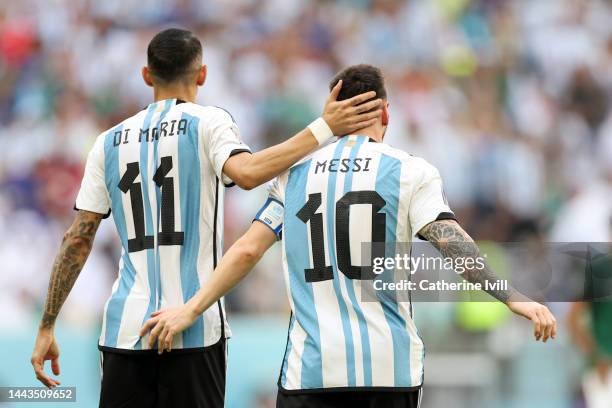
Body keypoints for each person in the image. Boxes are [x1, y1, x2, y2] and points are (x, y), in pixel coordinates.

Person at [140, 64, 558, 407]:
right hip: (389, 370)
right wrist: (516, 298)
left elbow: (248, 250)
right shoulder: (411, 171)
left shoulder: (293, 174)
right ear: (386, 114)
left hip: (314, 371)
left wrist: (191, 309)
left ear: (331, 110)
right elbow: (450, 242)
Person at [30, 29, 382, 408]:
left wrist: (48, 323)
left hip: (125, 332)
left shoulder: (108, 141)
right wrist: (323, 128)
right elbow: (247, 174)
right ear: (202, 75)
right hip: (195, 329)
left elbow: (78, 238)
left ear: (147, 75)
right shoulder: (209, 122)